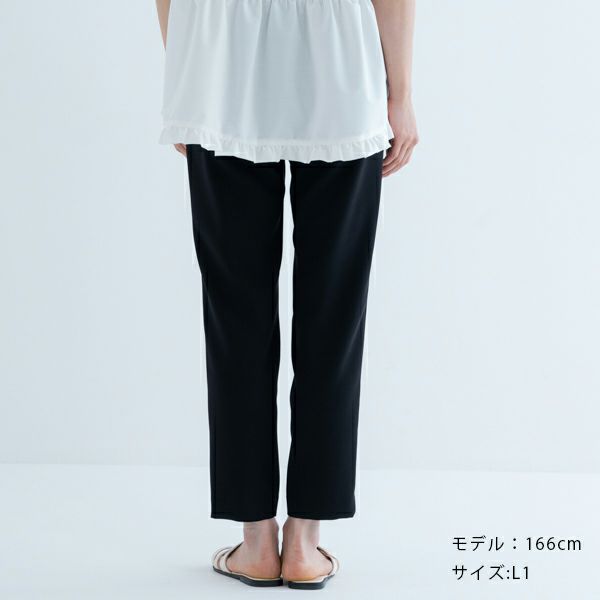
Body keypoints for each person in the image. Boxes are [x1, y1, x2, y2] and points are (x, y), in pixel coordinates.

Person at [156, 0, 417, 589]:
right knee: (334, 316)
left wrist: (187, 79)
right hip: (340, 68)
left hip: (219, 71)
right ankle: (303, 543)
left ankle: (255, 542)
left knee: (235, 316)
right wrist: (401, 95)